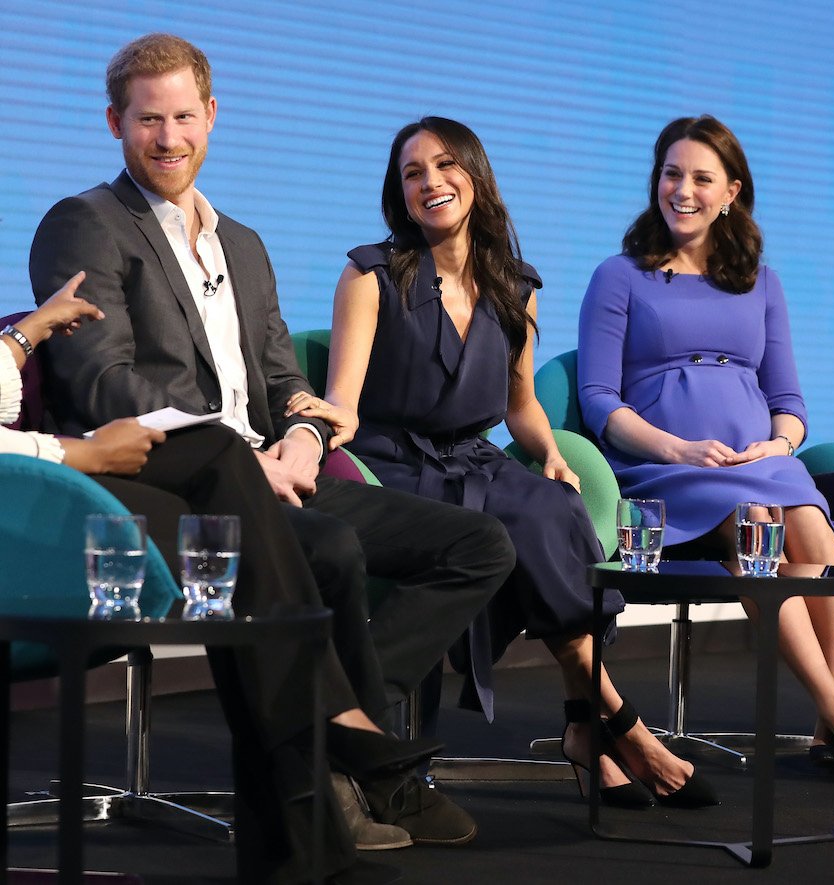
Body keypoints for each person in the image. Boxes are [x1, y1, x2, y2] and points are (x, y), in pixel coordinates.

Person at [25, 33, 518, 879]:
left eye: (184, 116)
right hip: (159, 477)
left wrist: (302, 434)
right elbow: (101, 383)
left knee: (478, 545)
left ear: (211, 116)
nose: (169, 137)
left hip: (271, 471)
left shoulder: (244, 245)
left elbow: (285, 375)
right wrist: (233, 453)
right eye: (148, 120)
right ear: (115, 123)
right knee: (325, 549)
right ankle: (351, 762)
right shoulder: (85, 224)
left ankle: (340, 730)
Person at [291, 116, 715, 809]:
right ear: (398, 194)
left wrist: (549, 452)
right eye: (412, 173)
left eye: (445, 164)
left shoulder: (515, 285)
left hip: (474, 457)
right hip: (393, 464)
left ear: (475, 176)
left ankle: (589, 725)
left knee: (553, 508)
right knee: (524, 530)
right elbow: (344, 401)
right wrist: (314, 430)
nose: (431, 181)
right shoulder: (370, 274)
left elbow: (520, 405)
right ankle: (621, 725)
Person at [2, 274, 445, 881]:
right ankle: (316, 801)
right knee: (239, 537)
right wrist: (82, 455)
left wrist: (26, 334)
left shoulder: (239, 244)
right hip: (29, 507)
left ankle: (314, 817)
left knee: (220, 476)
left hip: (39, 480)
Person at [576, 114, 834, 781]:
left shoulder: (762, 282)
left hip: (754, 462)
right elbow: (599, 401)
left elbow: (790, 404)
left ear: (731, 192)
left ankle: (823, 723)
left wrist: (774, 447)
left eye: (700, 177)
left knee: (809, 525)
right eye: (671, 174)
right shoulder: (620, 275)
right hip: (663, 466)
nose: (681, 190)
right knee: (761, 526)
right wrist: (675, 448)